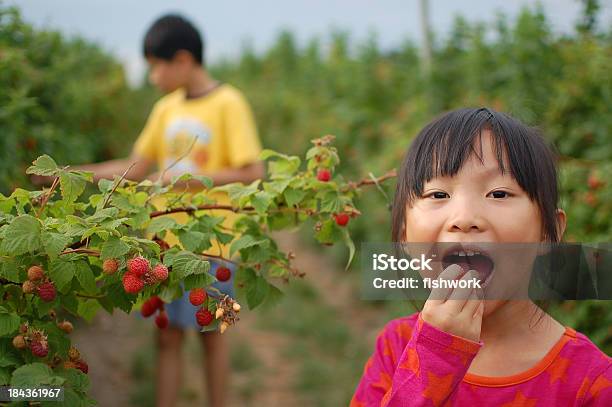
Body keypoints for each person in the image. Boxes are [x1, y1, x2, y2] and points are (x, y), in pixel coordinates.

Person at [55, 15, 263, 407]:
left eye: (156, 65)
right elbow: (136, 165)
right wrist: (69, 174)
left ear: (183, 59)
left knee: (214, 337)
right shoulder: (165, 108)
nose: (153, 76)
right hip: (164, 244)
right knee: (166, 335)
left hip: (213, 246)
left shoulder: (228, 103)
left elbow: (252, 170)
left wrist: (182, 182)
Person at [351, 108, 611, 406]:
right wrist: (434, 358)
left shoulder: (591, 383)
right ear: (403, 236)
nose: (464, 218)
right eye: (438, 195)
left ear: (548, 233)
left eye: (499, 194)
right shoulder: (397, 347)